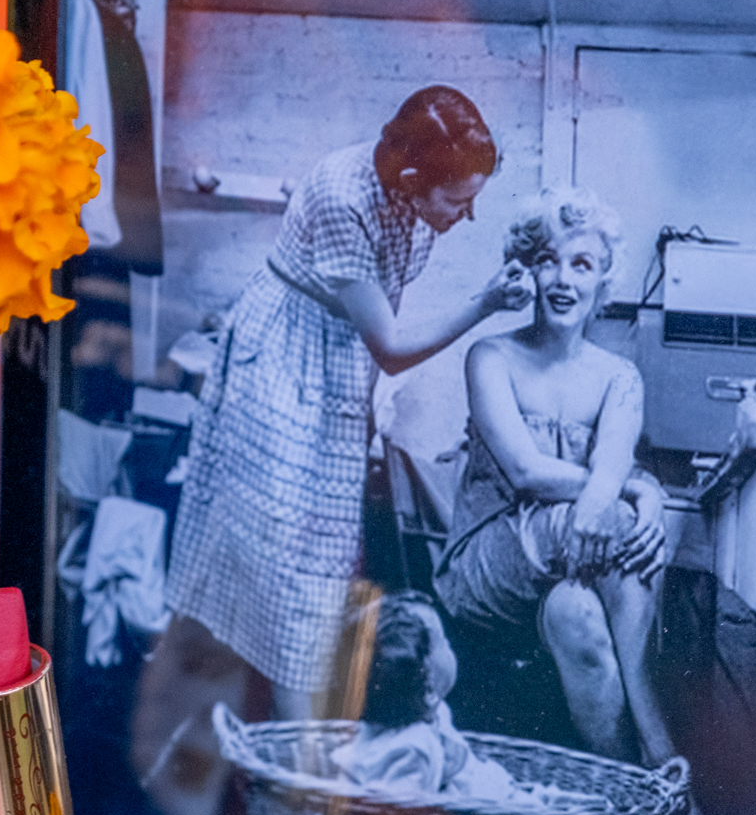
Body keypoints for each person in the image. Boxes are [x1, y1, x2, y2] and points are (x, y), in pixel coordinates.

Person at [160, 86, 532, 718]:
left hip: (337, 364)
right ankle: (244, 740)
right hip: (280, 362)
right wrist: (484, 303)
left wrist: (362, 407)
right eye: (458, 202)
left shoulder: (411, 196)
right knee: (269, 556)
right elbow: (389, 343)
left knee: (324, 560)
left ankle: (298, 742)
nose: (465, 217)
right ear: (413, 178)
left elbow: (381, 318)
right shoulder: (342, 196)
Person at [434, 188, 716, 815]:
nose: (563, 280)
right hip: (487, 568)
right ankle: (664, 768)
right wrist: (640, 492)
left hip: (575, 574)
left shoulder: (619, 376)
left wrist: (629, 487)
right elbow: (530, 475)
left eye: (582, 265)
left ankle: (622, 808)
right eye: (547, 262)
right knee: (604, 516)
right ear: (525, 272)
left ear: (603, 280)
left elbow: (610, 469)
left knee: (578, 617)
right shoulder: (491, 357)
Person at [330, 593, 523, 804]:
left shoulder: (430, 717)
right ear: (429, 687)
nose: (450, 647)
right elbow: (400, 807)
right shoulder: (413, 747)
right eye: (444, 642)